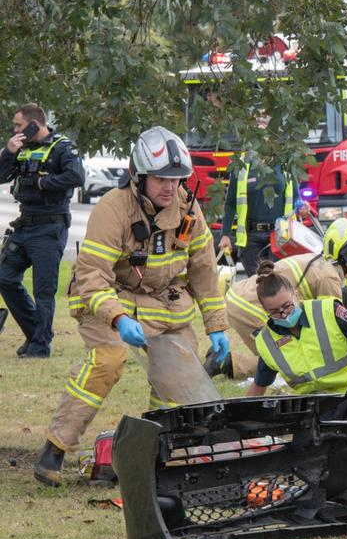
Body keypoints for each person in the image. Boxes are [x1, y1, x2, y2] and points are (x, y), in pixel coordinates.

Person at [34, 127, 229, 486]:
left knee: (180, 376)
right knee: (108, 361)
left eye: (177, 179)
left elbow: (204, 268)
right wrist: (118, 317)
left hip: (163, 302)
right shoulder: (114, 208)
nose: (170, 188)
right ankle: (55, 450)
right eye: (160, 179)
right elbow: (92, 275)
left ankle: (166, 456)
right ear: (138, 176)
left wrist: (216, 324)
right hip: (109, 297)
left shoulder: (188, 207)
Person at [0, 103, 85, 358]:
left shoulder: (61, 147)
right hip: (24, 225)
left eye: (19, 125)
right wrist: (8, 153)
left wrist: (42, 182)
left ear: (35, 123)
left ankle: (39, 347)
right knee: (5, 277)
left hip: (50, 227)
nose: (15, 130)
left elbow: (76, 177)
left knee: (43, 291)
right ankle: (38, 333)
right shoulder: (22, 149)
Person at [210, 250, 347, 379]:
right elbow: (328, 322)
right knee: (283, 357)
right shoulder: (330, 279)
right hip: (249, 309)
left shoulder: (317, 261)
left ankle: (220, 358)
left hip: (238, 297)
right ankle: (225, 363)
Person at [244, 259, 347, 396]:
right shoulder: (267, 342)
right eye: (274, 312)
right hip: (314, 406)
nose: (284, 314)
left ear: (296, 295)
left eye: (287, 306)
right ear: (265, 310)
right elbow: (259, 385)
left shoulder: (328, 311)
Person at [217, 149, 308, 273]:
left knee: (274, 279)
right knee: (257, 283)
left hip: (280, 236)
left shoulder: (285, 163)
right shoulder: (241, 165)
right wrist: (225, 235)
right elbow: (230, 203)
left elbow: (296, 197)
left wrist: (301, 207)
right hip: (251, 238)